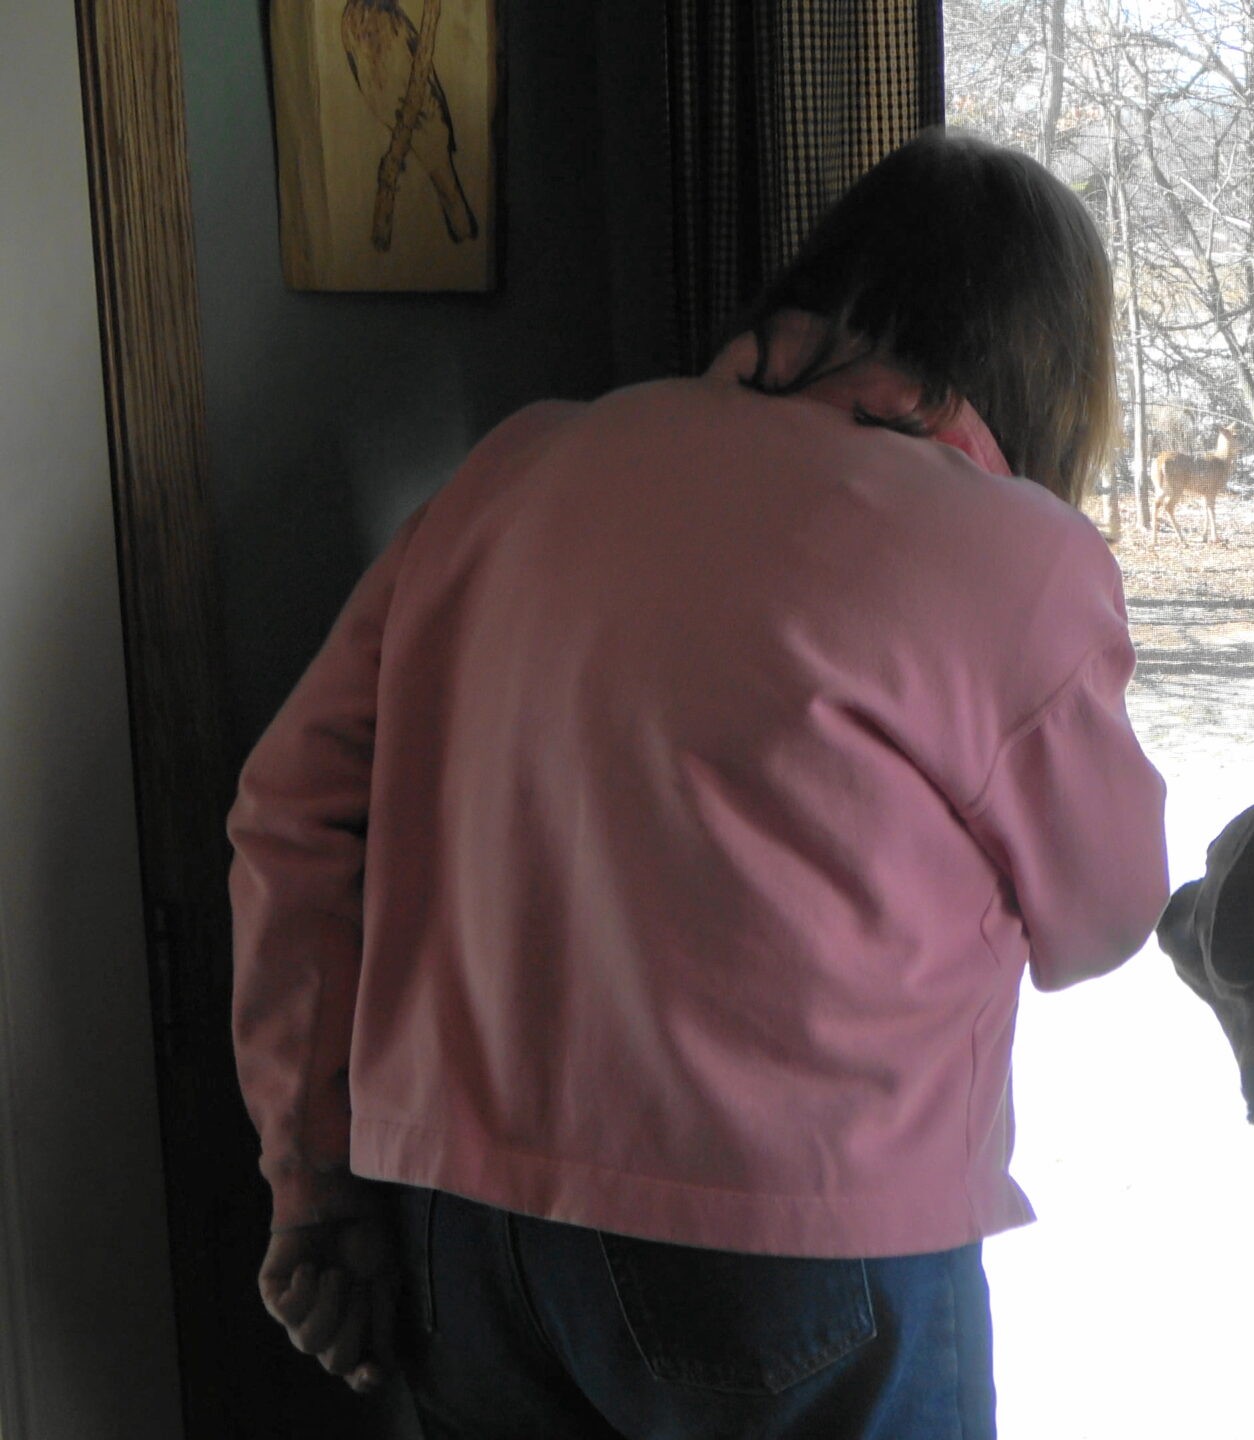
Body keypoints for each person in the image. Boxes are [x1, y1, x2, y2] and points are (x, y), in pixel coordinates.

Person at [228, 130, 1169, 1439]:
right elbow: (1106, 916)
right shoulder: (1015, 552)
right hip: (795, 1241)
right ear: (1046, 362)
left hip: (462, 1230)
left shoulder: (517, 466)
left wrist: (313, 1175)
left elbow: (291, 810)